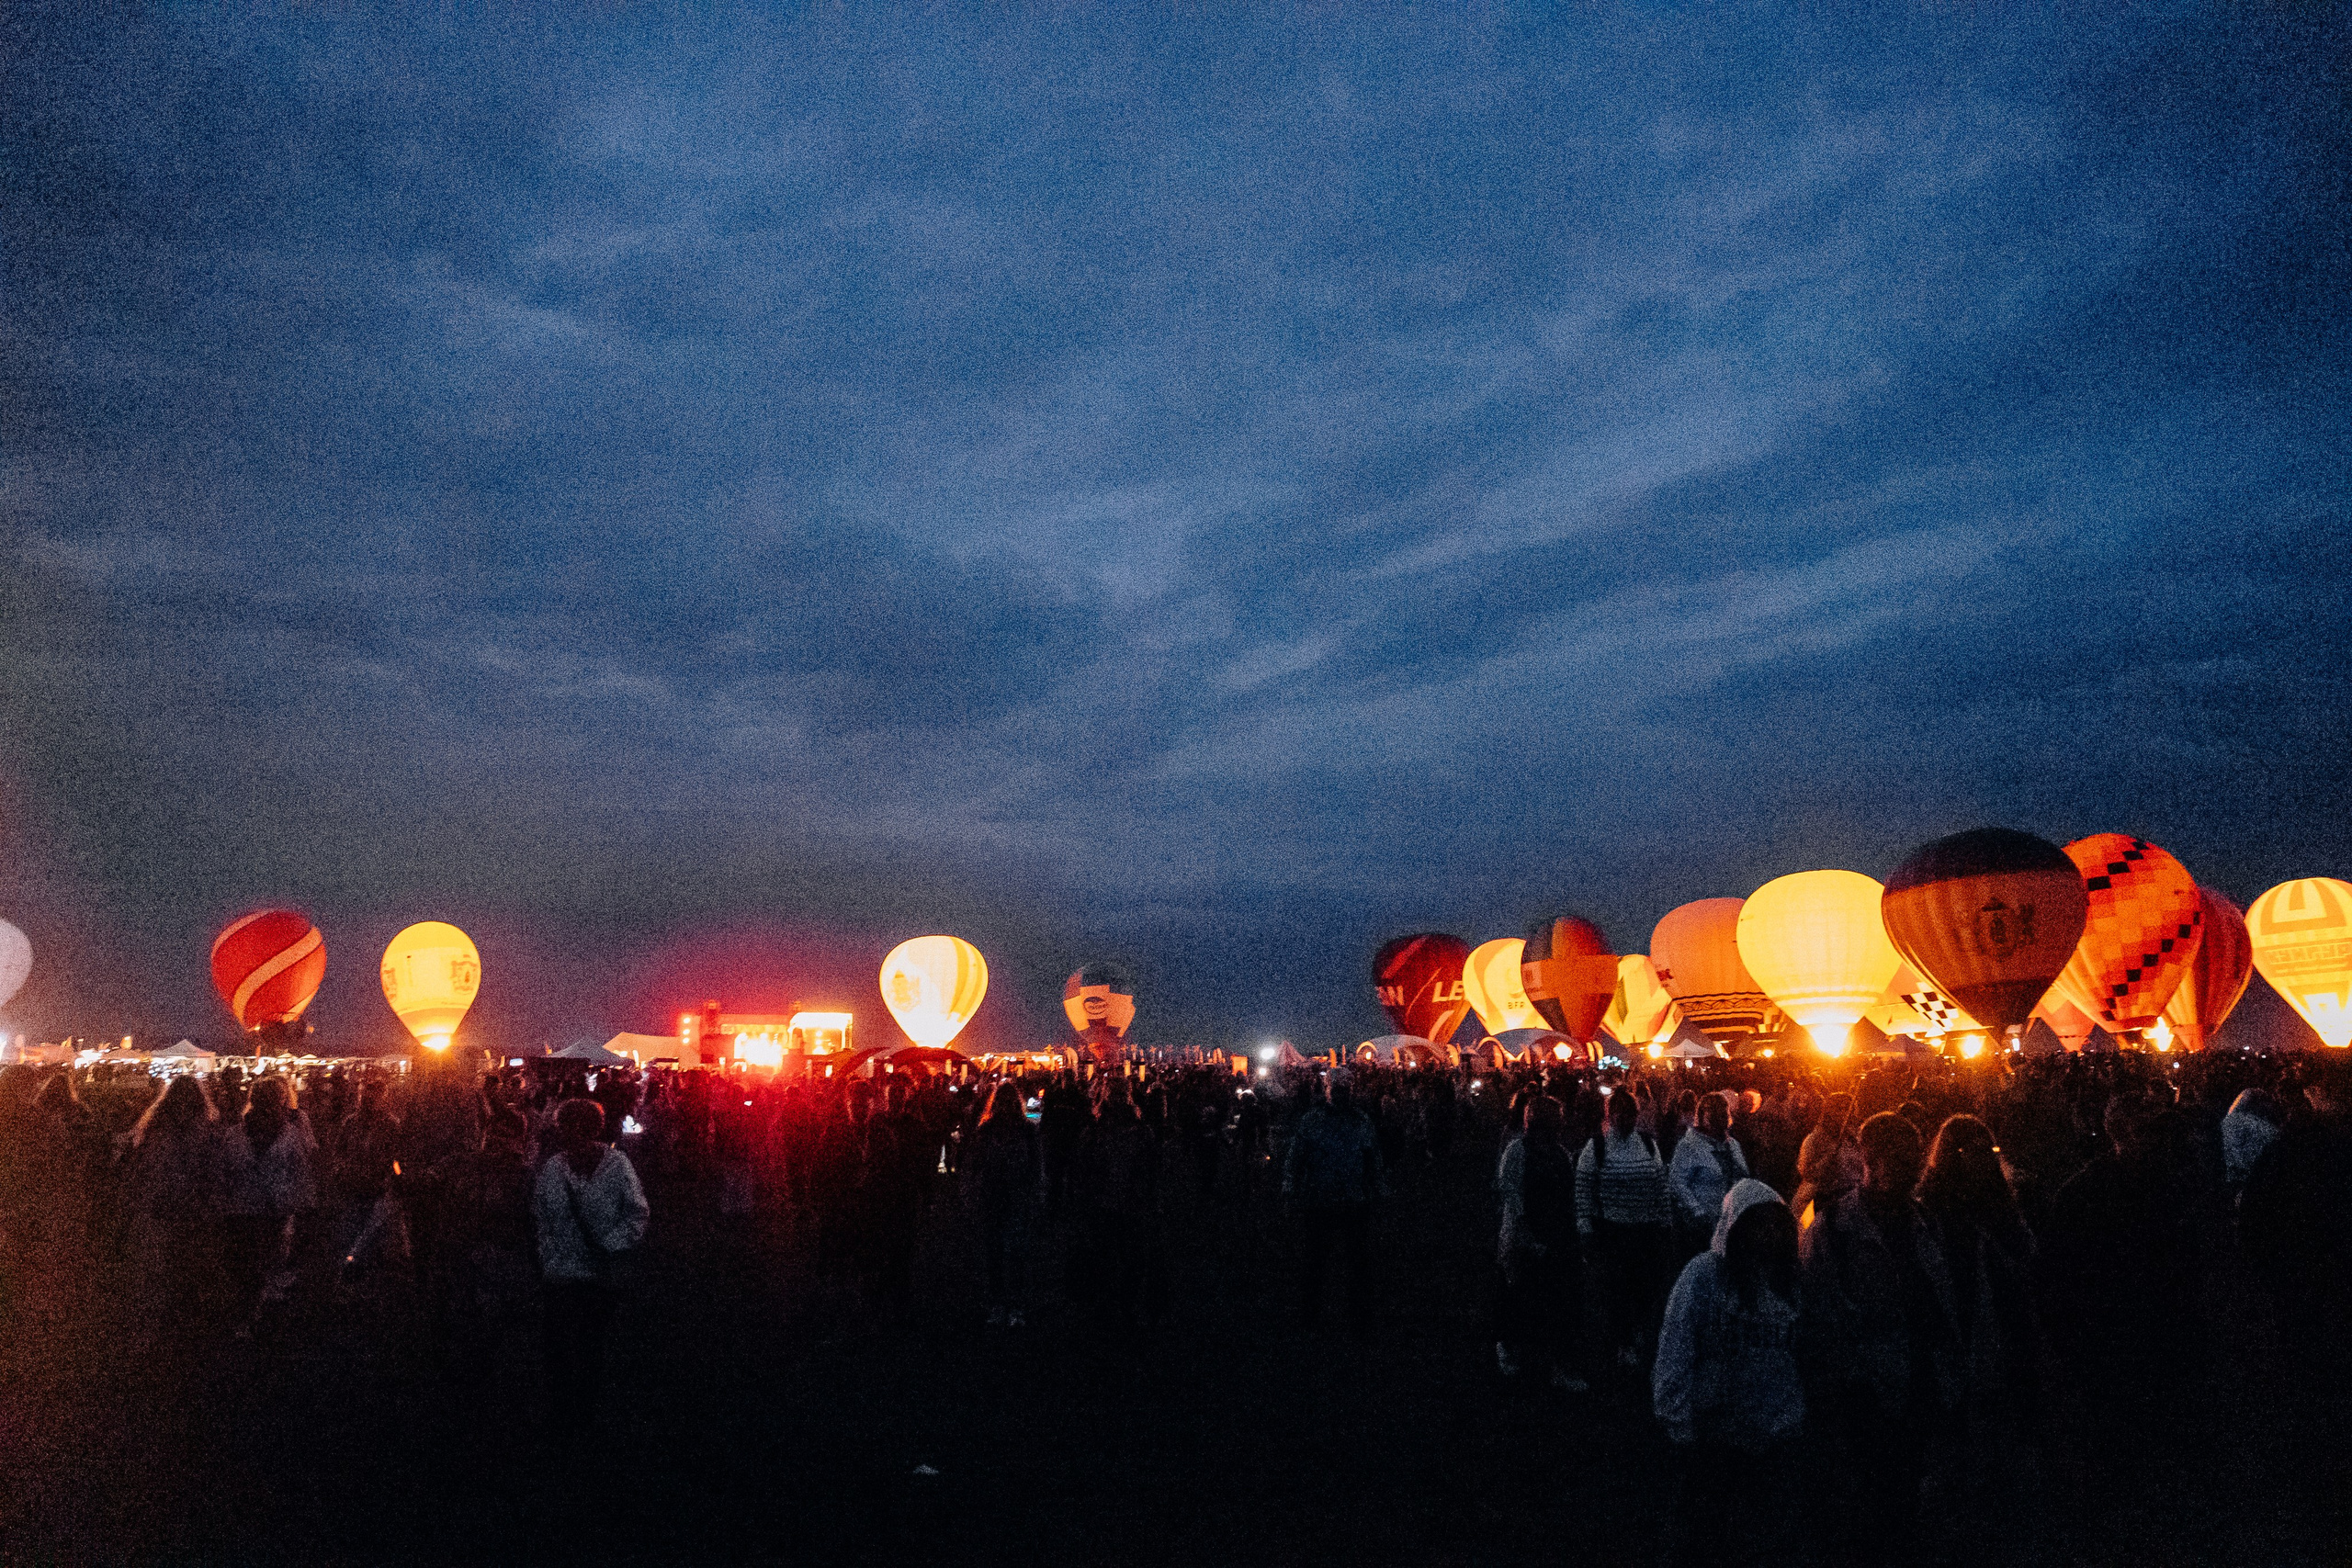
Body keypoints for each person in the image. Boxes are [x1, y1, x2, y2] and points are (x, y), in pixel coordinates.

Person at [1801, 1111, 1958, 1559]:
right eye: (1901, 1158)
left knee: (1904, 1484)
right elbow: (1817, 1315)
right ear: (1870, 1159)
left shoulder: (1924, 1219)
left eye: (1914, 1158)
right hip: (1863, 1388)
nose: (1911, 1168)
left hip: (1916, 1375)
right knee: (1871, 1491)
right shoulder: (1832, 1229)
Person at [1654, 1179, 1804, 1568]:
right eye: (1756, 1224)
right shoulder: (1704, 1276)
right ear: (1733, 1228)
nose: (1767, 1234)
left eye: (1774, 1224)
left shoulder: (1791, 1281)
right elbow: (1677, 1347)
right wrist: (1680, 1425)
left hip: (1777, 1438)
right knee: (1706, 1538)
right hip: (1714, 1436)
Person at [533, 1097, 648, 1430]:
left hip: (598, 1275)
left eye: (579, 1129)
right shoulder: (553, 1168)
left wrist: (611, 1246)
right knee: (557, 1348)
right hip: (559, 1275)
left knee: (590, 1346)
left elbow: (636, 1214)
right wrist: (547, 1254)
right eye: (567, 1129)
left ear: (594, 1129)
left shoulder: (617, 1166)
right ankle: (563, 1411)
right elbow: (540, 1215)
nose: (573, 1136)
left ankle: (584, 1411)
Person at [424, 1107, 537, 1385]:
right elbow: (429, 1181)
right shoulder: (461, 1162)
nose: (497, 1139)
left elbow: (533, 1222)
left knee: (490, 1323)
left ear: (518, 1140)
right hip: (457, 1253)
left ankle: (481, 1374)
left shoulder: (524, 1177)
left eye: (506, 1135)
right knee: (452, 1315)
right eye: (493, 1132)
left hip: (499, 1259)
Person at [1576, 1086, 1671, 1371]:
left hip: (1644, 1230)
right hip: (1613, 1231)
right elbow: (1583, 1188)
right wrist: (1585, 1225)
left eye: (1630, 1115)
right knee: (1616, 1289)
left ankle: (1634, 1333)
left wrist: (1665, 1221)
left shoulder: (1648, 1144)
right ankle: (1622, 1340)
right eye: (1620, 1115)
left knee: (1644, 1288)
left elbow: (1660, 1184)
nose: (1625, 1120)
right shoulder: (1597, 1147)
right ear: (1610, 1116)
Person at [1495, 1095, 1587, 1391]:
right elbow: (1513, 1198)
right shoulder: (1517, 1151)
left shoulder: (1559, 1153)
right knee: (1523, 1299)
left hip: (1555, 1238)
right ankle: (1510, 1348)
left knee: (1559, 1303)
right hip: (1526, 1240)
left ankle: (1557, 1365)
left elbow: (1568, 1197)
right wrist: (1529, 1241)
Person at [219, 1075, 319, 1336]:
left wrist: (304, 1202)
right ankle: (252, 1316)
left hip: (272, 1210)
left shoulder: (288, 1133)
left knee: (262, 1264)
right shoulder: (237, 1135)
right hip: (248, 1209)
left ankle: (256, 1317)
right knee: (250, 1265)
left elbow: (301, 1171)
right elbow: (226, 1172)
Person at [1283, 1073, 1381, 1330]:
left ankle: (1356, 1314)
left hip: (1348, 1198)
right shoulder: (1314, 1120)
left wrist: (1379, 1187)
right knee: (1318, 1259)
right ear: (1329, 1091)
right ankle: (1313, 1313)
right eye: (1338, 1089)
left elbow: (1373, 1158)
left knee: (1353, 1260)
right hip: (1323, 1198)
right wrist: (1289, 1184)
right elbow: (1296, 1156)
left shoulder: (1360, 1121)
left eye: (1345, 1089)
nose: (1341, 1093)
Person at [122, 1075, 223, 1318]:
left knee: (161, 1254)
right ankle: (184, 1304)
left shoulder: (154, 1126)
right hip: (192, 1201)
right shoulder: (207, 1129)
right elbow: (213, 1169)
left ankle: (160, 1304)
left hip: (161, 1198)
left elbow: (142, 1163)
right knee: (187, 1254)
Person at [1073, 1082, 1161, 1332]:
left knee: (1107, 1256)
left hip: (1107, 1204)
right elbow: (1152, 1168)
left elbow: (1082, 1169)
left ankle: (1108, 1306)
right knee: (1130, 1259)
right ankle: (1125, 1306)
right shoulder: (1140, 1130)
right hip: (1128, 1203)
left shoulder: (1095, 1130)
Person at [967, 1082, 1042, 1327]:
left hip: (1005, 1195)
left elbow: (975, 1164)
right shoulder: (1013, 1130)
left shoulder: (993, 1130)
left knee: (1005, 1251)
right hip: (1002, 1195)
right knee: (1003, 1251)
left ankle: (1006, 1304)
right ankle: (1008, 1305)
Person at [1668, 1092, 1749, 1262]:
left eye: (1722, 1113)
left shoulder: (1732, 1145)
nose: (1719, 1119)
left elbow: (1743, 1175)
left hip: (1731, 1220)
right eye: (1714, 1114)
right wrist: (1697, 1211)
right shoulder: (1689, 1145)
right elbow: (1677, 1181)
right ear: (1703, 1116)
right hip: (1701, 1226)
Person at [1793, 1091, 1864, 1224]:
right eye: (1841, 1109)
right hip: (1820, 1204)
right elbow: (1808, 1174)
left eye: (1850, 1109)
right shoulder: (1814, 1139)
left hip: (1849, 1206)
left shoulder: (1853, 1138)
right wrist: (1828, 1158)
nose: (1847, 1114)